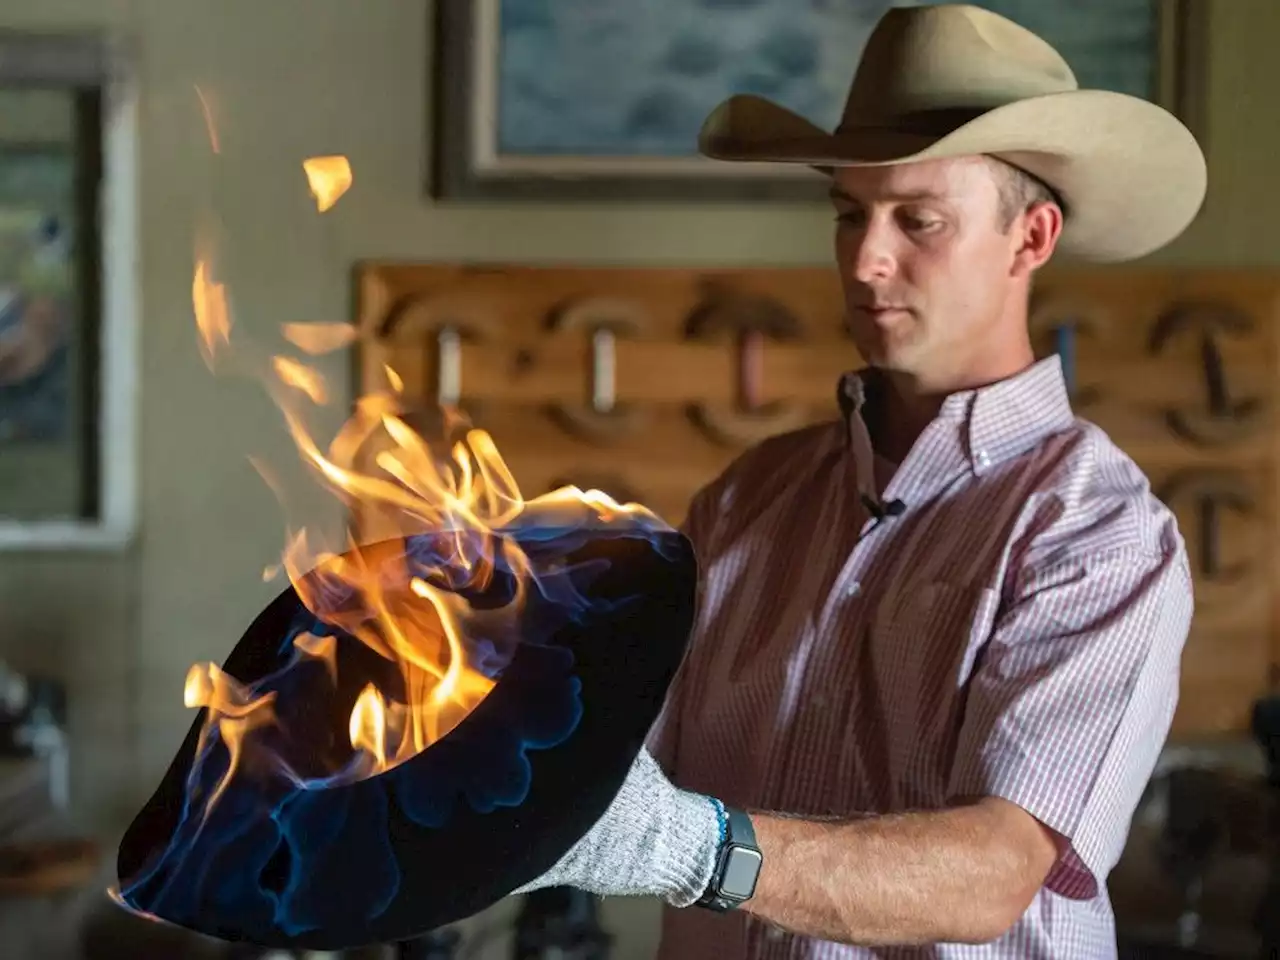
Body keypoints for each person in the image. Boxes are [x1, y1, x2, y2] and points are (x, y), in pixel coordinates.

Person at [515, 4, 1207, 957]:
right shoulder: (746, 501)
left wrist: (701, 852)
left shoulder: (1097, 533)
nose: (867, 259)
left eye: (918, 220)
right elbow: (617, 752)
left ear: (1031, 238)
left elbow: (997, 871)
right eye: (849, 214)